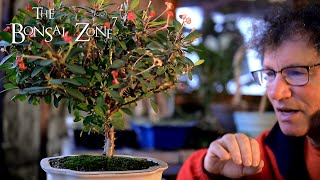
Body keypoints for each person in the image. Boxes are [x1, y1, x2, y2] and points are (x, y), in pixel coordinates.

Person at [177, 3, 320, 180]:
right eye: (269, 74)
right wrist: (211, 171)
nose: (275, 94)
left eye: (296, 73)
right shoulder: (267, 156)